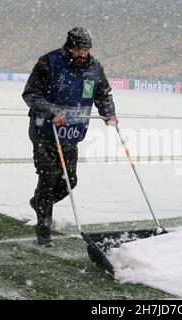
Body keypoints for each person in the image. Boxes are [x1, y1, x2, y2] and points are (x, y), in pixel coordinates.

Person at [22, 27, 118, 247]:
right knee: (48, 180)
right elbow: (31, 94)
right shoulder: (49, 62)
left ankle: (38, 203)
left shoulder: (95, 68)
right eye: (79, 49)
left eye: (87, 49)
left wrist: (108, 113)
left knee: (69, 181)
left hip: (72, 135)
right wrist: (52, 111)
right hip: (45, 133)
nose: (83, 53)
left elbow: (103, 94)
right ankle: (43, 232)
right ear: (69, 47)